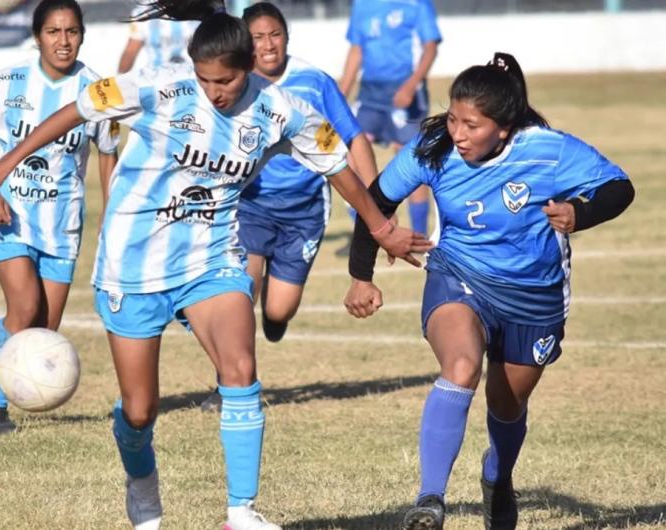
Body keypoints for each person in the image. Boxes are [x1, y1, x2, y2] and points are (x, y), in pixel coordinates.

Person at [0, 1, 434, 528]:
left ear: (248, 67)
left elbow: (339, 165)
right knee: (140, 411)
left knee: (240, 368)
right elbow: (76, 110)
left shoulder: (282, 109)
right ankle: (142, 489)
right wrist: (4, 162)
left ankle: (241, 511)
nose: (216, 91)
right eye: (206, 79)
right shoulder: (156, 85)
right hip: (132, 266)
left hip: (210, 259)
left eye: (227, 81)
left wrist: (380, 227)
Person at [344, 52, 635, 530]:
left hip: (534, 295)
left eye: (471, 125)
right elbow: (376, 200)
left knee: (506, 405)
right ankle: (429, 500)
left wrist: (581, 214)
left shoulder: (548, 150)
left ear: (504, 128)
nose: (457, 133)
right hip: (460, 274)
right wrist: (361, 274)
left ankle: (497, 479)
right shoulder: (433, 148)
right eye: (454, 118)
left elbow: (618, 187)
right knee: (460, 367)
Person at [198, 1, 379, 413]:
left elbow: (354, 140)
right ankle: (229, 383)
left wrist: (373, 201)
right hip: (250, 206)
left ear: (287, 37)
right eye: (258, 37)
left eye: (274, 35)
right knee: (240, 293)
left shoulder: (315, 82)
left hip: (304, 211)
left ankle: (274, 320)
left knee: (278, 310)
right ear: (246, 43)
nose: (267, 44)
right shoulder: (234, 84)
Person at [0, 0, 119, 435]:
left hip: (62, 224)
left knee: (42, 330)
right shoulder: (6, 82)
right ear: (37, 36)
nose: (63, 41)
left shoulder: (97, 90)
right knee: (24, 308)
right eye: (53, 32)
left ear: (82, 35)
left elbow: (108, 154)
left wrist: (111, 211)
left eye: (71, 32)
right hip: (7, 214)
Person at [338, 0, 442, 254]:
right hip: (370, 94)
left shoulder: (417, 4)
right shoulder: (362, 5)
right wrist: (338, 98)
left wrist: (412, 83)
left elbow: (430, 48)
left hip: (404, 91)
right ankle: (367, 228)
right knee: (347, 152)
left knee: (409, 159)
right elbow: (356, 51)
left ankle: (418, 238)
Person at [117, 11, 198, 74]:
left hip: (194, 81)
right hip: (157, 82)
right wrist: (119, 84)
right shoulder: (142, 12)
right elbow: (130, 52)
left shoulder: (201, 9)